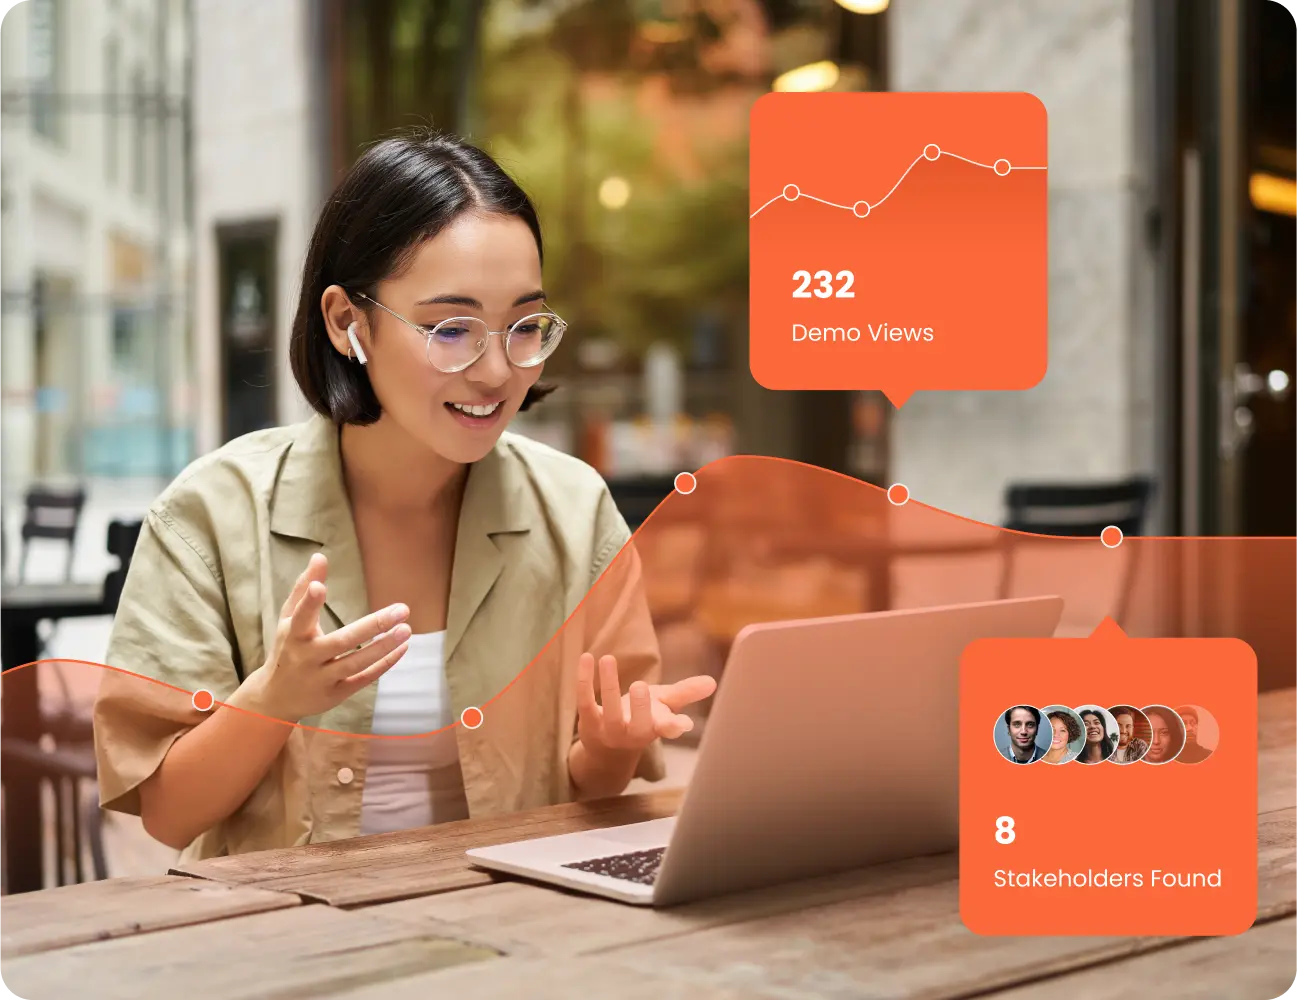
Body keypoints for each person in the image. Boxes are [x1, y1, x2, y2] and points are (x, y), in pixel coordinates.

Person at [92, 130, 718, 861]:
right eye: (450, 329)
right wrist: (274, 698)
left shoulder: (574, 514)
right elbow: (168, 815)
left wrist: (611, 749)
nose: (494, 371)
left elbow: (595, 800)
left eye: (523, 326)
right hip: (292, 945)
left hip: (513, 937)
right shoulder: (210, 516)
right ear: (345, 322)